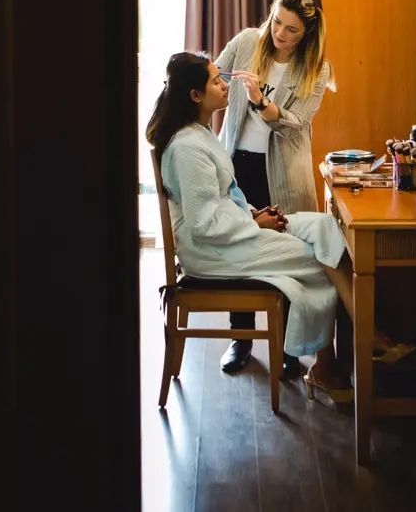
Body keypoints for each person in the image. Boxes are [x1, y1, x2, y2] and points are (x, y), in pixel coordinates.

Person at [147, 52, 356, 402]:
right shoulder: (187, 147)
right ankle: (338, 358)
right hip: (213, 252)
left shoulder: (198, 133)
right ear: (196, 96)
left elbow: (219, 200)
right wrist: (254, 222)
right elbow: (204, 223)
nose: (225, 84)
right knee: (323, 257)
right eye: (216, 80)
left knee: (324, 228)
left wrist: (254, 213)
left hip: (232, 235)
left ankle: (347, 348)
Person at [214, 0, 333, 374]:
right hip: (237, 164)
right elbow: (213, 76)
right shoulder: (248, 42)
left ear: (307, 36)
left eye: (291, 30)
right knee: (240, 255)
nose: (279, 34)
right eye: (277, 22)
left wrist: (262, 103)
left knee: (287, 257)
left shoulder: (316, 70)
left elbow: (297, 124)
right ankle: (241, 339)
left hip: (283, 171)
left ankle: (288, 349)